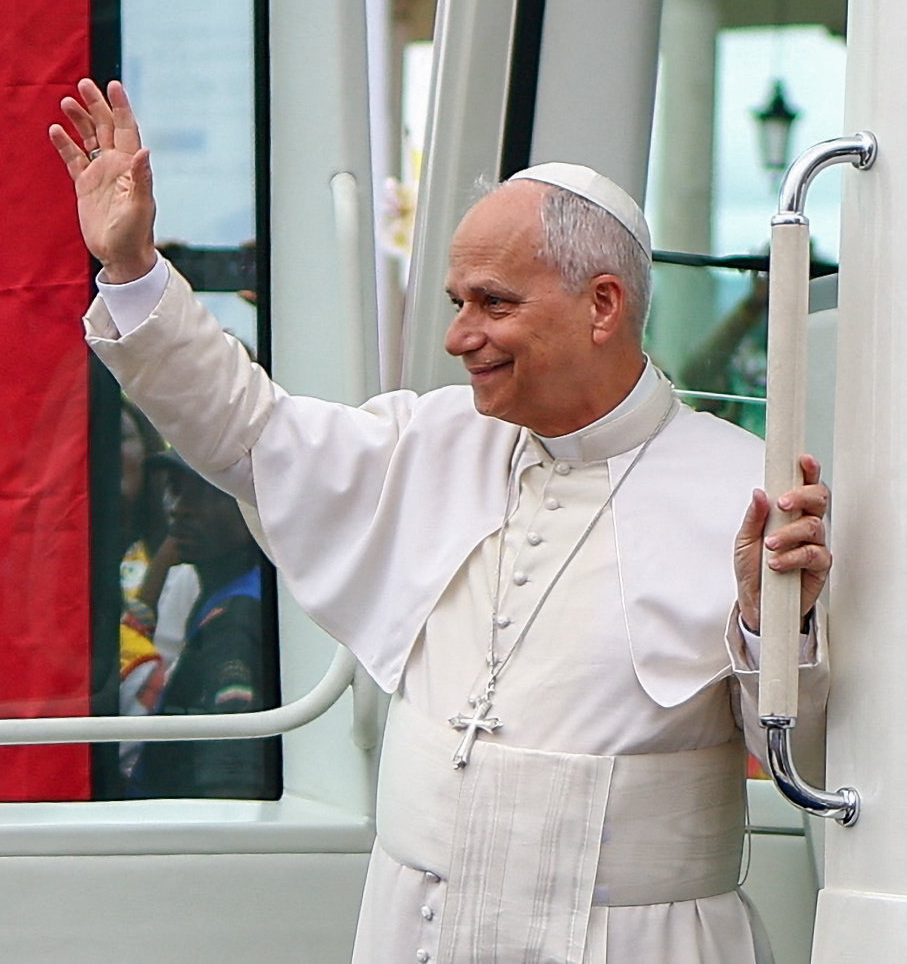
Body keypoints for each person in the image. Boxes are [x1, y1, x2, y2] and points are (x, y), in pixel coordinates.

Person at [53, 78, 832, 964]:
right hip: (417, 926)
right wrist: (130, 268)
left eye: (492, 302)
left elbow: (813, 758)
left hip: (636, 941)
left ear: (602, 305)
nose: (460, 335)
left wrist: (771, 624)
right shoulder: (429, 438)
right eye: (458, 301)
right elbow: (246, 432)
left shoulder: (746, 489)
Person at [128, 456, 269, 798]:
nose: (180, 508)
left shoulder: (237, 620)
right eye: (175, 490)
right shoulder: (225, 596)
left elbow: (231, 783)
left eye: (207, 492)